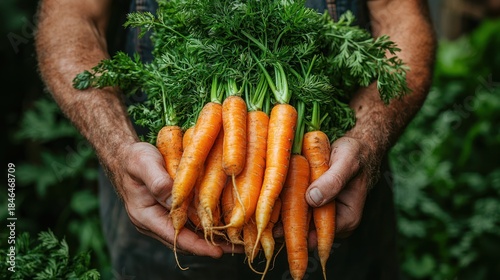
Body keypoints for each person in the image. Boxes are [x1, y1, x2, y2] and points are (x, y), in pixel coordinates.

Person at [35, 0, 436, 279]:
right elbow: (73, 16)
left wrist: (367, 139)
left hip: (333, 196)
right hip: (165, 201)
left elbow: (400, 15)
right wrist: (116, 147)